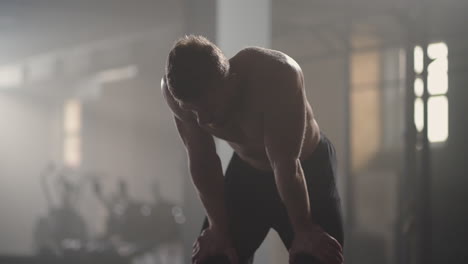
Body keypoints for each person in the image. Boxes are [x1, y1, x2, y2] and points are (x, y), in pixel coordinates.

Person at [161, 35, 344, 264]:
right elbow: (202, 161)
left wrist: (304, 229)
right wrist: (218, 228)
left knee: (318, 257)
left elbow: (286, 164)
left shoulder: (277, 75)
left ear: (231, 81)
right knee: (215, 257)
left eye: (208, 107)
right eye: (193, 111)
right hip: (247, 174)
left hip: (305, 171)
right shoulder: (176, 95)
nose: (203, 120)